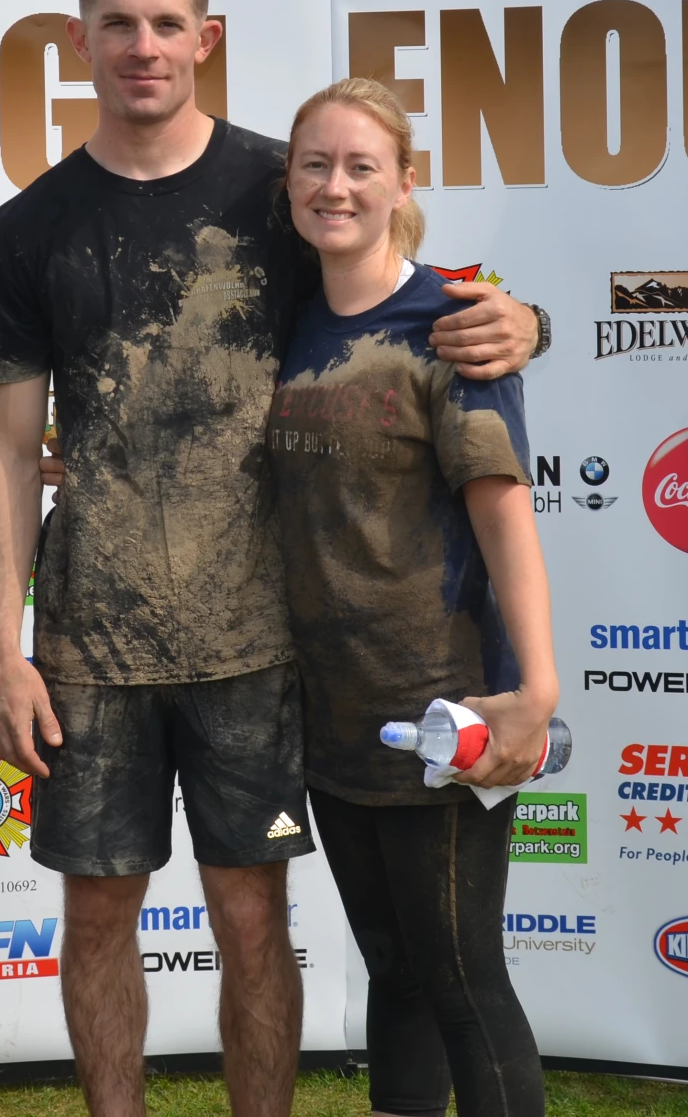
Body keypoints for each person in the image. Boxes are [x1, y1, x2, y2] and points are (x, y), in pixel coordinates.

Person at [0, 0, 547, 1117]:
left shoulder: (278, 189)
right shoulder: (29, 229)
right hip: (91, 651)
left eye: (167, 23)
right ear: (78, 38)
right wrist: (2, 644)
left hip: (260, 645)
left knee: (251, 913)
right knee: (98, 912)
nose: (143, 46)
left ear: (205, 38)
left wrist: (527, 319)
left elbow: (400, 292)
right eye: (118, 23)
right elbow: (8, 449)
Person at [270, 79, 556, 1117]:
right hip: (333, 713)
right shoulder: (287, 320)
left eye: (359, 166)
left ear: (404, 181)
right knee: (394, 972)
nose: (335, 186)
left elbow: (503, 513)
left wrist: (534, 685)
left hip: (446, 707)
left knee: (463, 981)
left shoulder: (457, 324)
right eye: (315, 164)